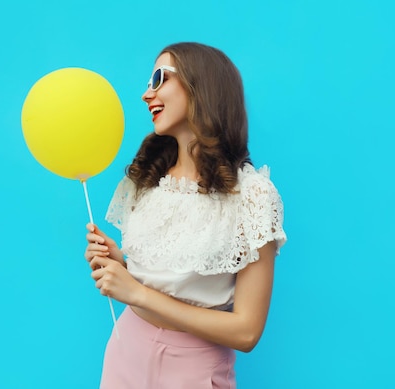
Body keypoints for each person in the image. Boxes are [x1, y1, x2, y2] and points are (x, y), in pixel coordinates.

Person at [84, 42, 287, 389]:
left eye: (159, 78)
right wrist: (123, 266)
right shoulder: (147, 181)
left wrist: (136, 292)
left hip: (194, 371)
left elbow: (247, 331)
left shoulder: (253, 195)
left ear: (201, 86)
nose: (147, 94)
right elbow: (170, 284)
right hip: (125, 353)